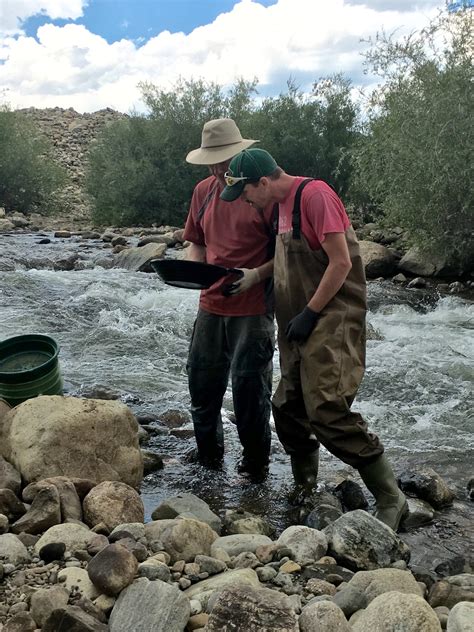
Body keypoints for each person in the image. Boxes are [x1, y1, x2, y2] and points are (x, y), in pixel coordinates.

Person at [220, 148, 408, 530]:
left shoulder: (315, 196)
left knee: (326, 408)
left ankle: (392, 497)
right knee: (287, 406)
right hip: (298, 321)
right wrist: (256, 276)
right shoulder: (278, 207)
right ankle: (306, 486)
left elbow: (340, 261)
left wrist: (310, 312)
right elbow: (287, 259)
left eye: (245, 193)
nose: (245, 201)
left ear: (264, 182)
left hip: (331, 318)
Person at [182, 120, 276, 480]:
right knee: (202, 386)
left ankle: (255, 469)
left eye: (224, 160)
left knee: (250, 394)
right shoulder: (203, 191)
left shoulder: (261, 194)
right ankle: (209, 459)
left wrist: (255, 275)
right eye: (212, 162)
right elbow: (197, 243)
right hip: (210, 304)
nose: (218, 170)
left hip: (253, 310)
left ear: (241, 154)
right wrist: (190, 272)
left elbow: (286, 253)